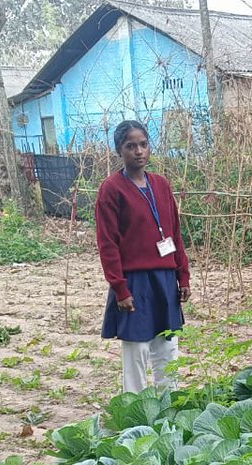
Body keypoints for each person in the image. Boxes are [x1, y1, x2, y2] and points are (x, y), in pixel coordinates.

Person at [95, 119, 191, 394]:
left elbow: (175, 233)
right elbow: (108, 244)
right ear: (119, 151)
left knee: (167, 349)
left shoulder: (161, 185)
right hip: (134, 282)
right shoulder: (112, 189)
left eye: (143, 144)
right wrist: (120, 288)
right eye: (130, 146)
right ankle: (135, 413)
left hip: (164, 279)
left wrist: (182, 276)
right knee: (136, 350)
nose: (138, 151)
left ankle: (169, 410)